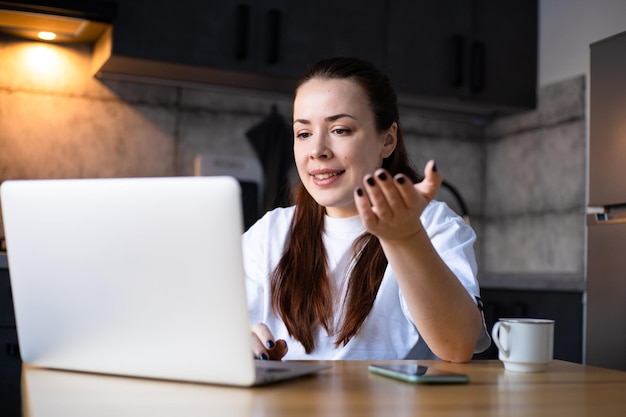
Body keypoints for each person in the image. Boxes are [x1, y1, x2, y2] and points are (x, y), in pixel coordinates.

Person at [243, 57, 490, 362]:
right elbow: (208, 323)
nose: (317, 150)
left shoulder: (435, 225)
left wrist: (405, 237)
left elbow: (458, 346)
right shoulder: (270, 233)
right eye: (303, 133)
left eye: (340, 130)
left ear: (387, 140)